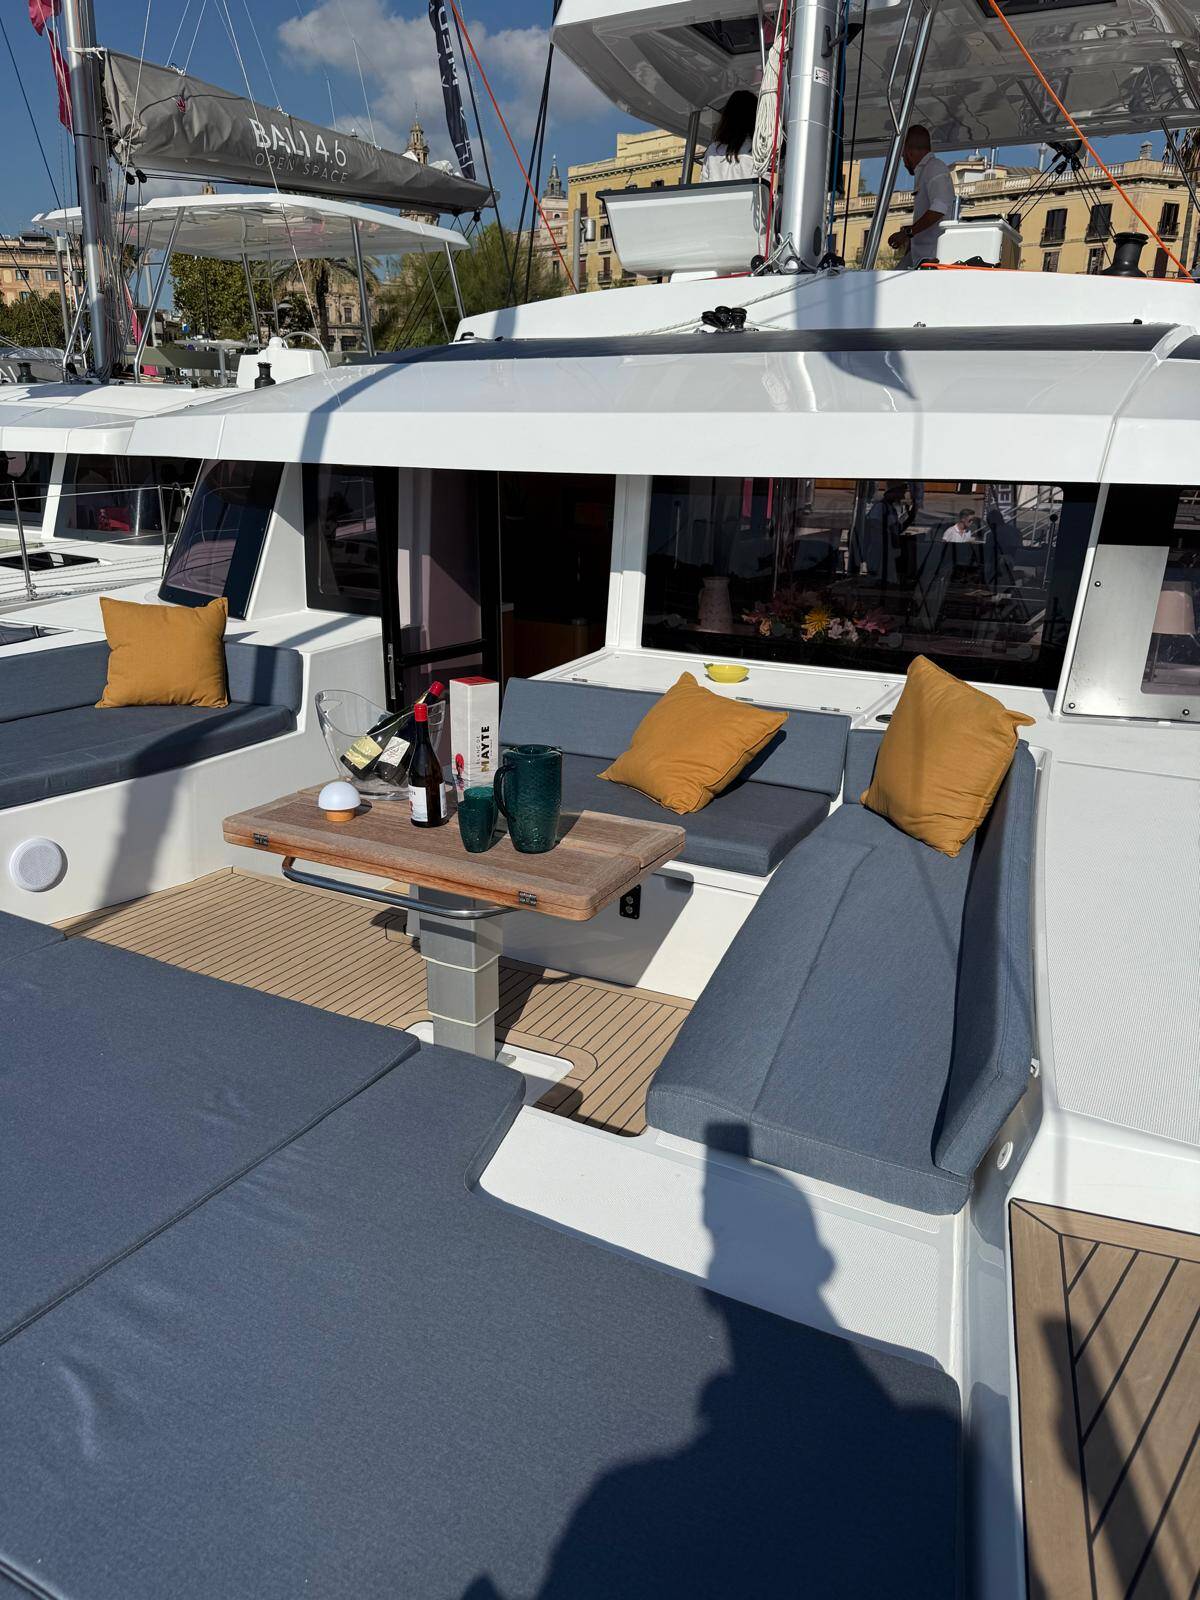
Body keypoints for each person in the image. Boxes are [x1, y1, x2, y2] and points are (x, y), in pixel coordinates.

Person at [887, 126, 954, 267]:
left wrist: (907, 233)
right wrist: (910, 244)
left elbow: (940, 208)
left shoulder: (934, 167)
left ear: (909, 152)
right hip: (920, 256)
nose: (904, 163)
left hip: (933, 256)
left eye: (903, 156)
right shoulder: (925, 171)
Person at [700, 92, 760, 182]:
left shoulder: (712, 150)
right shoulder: (758, 151)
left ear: (726, 117)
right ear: (755, 116)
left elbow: (704, 183)